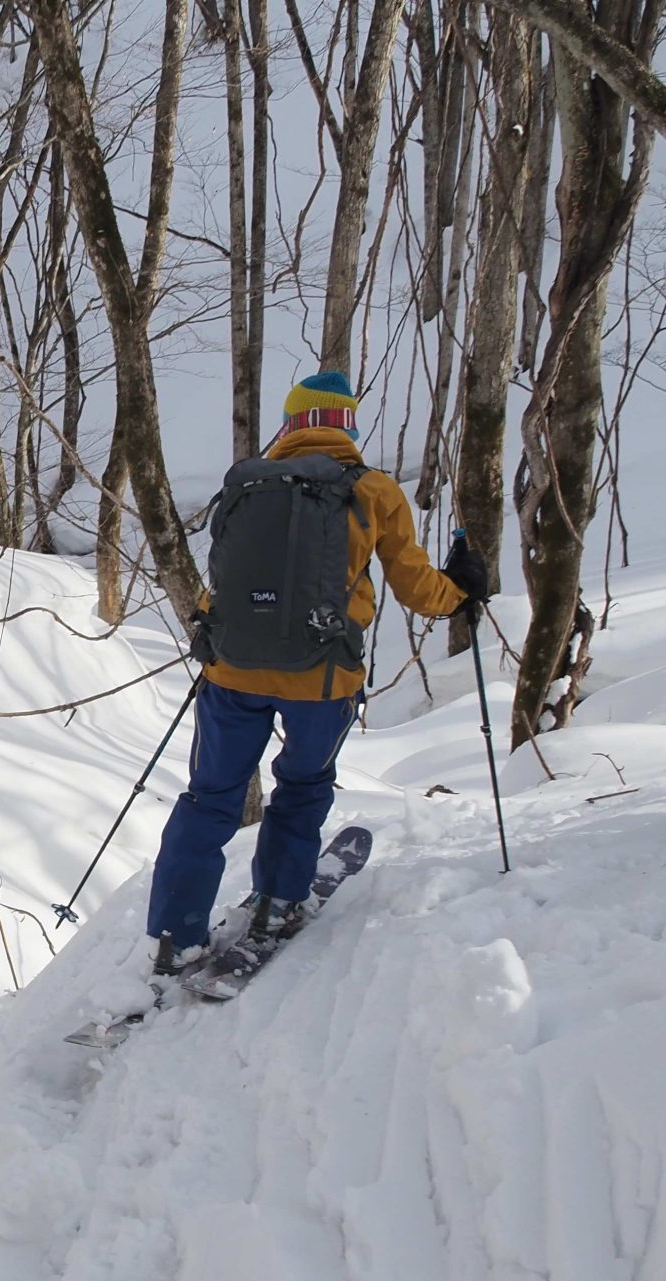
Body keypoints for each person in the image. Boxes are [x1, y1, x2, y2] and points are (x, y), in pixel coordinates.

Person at [146, 371, 487, 973]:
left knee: (208, 800)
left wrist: (212, 632)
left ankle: (174, 936)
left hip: (233, 673)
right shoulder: (373, 490)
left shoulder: (244, 485)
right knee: (301, 789)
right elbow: (416, 588)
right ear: (346, 426)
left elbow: (225, 582)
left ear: (292, 424)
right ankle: (278, 905)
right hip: (323, 680)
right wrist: (461, 591)